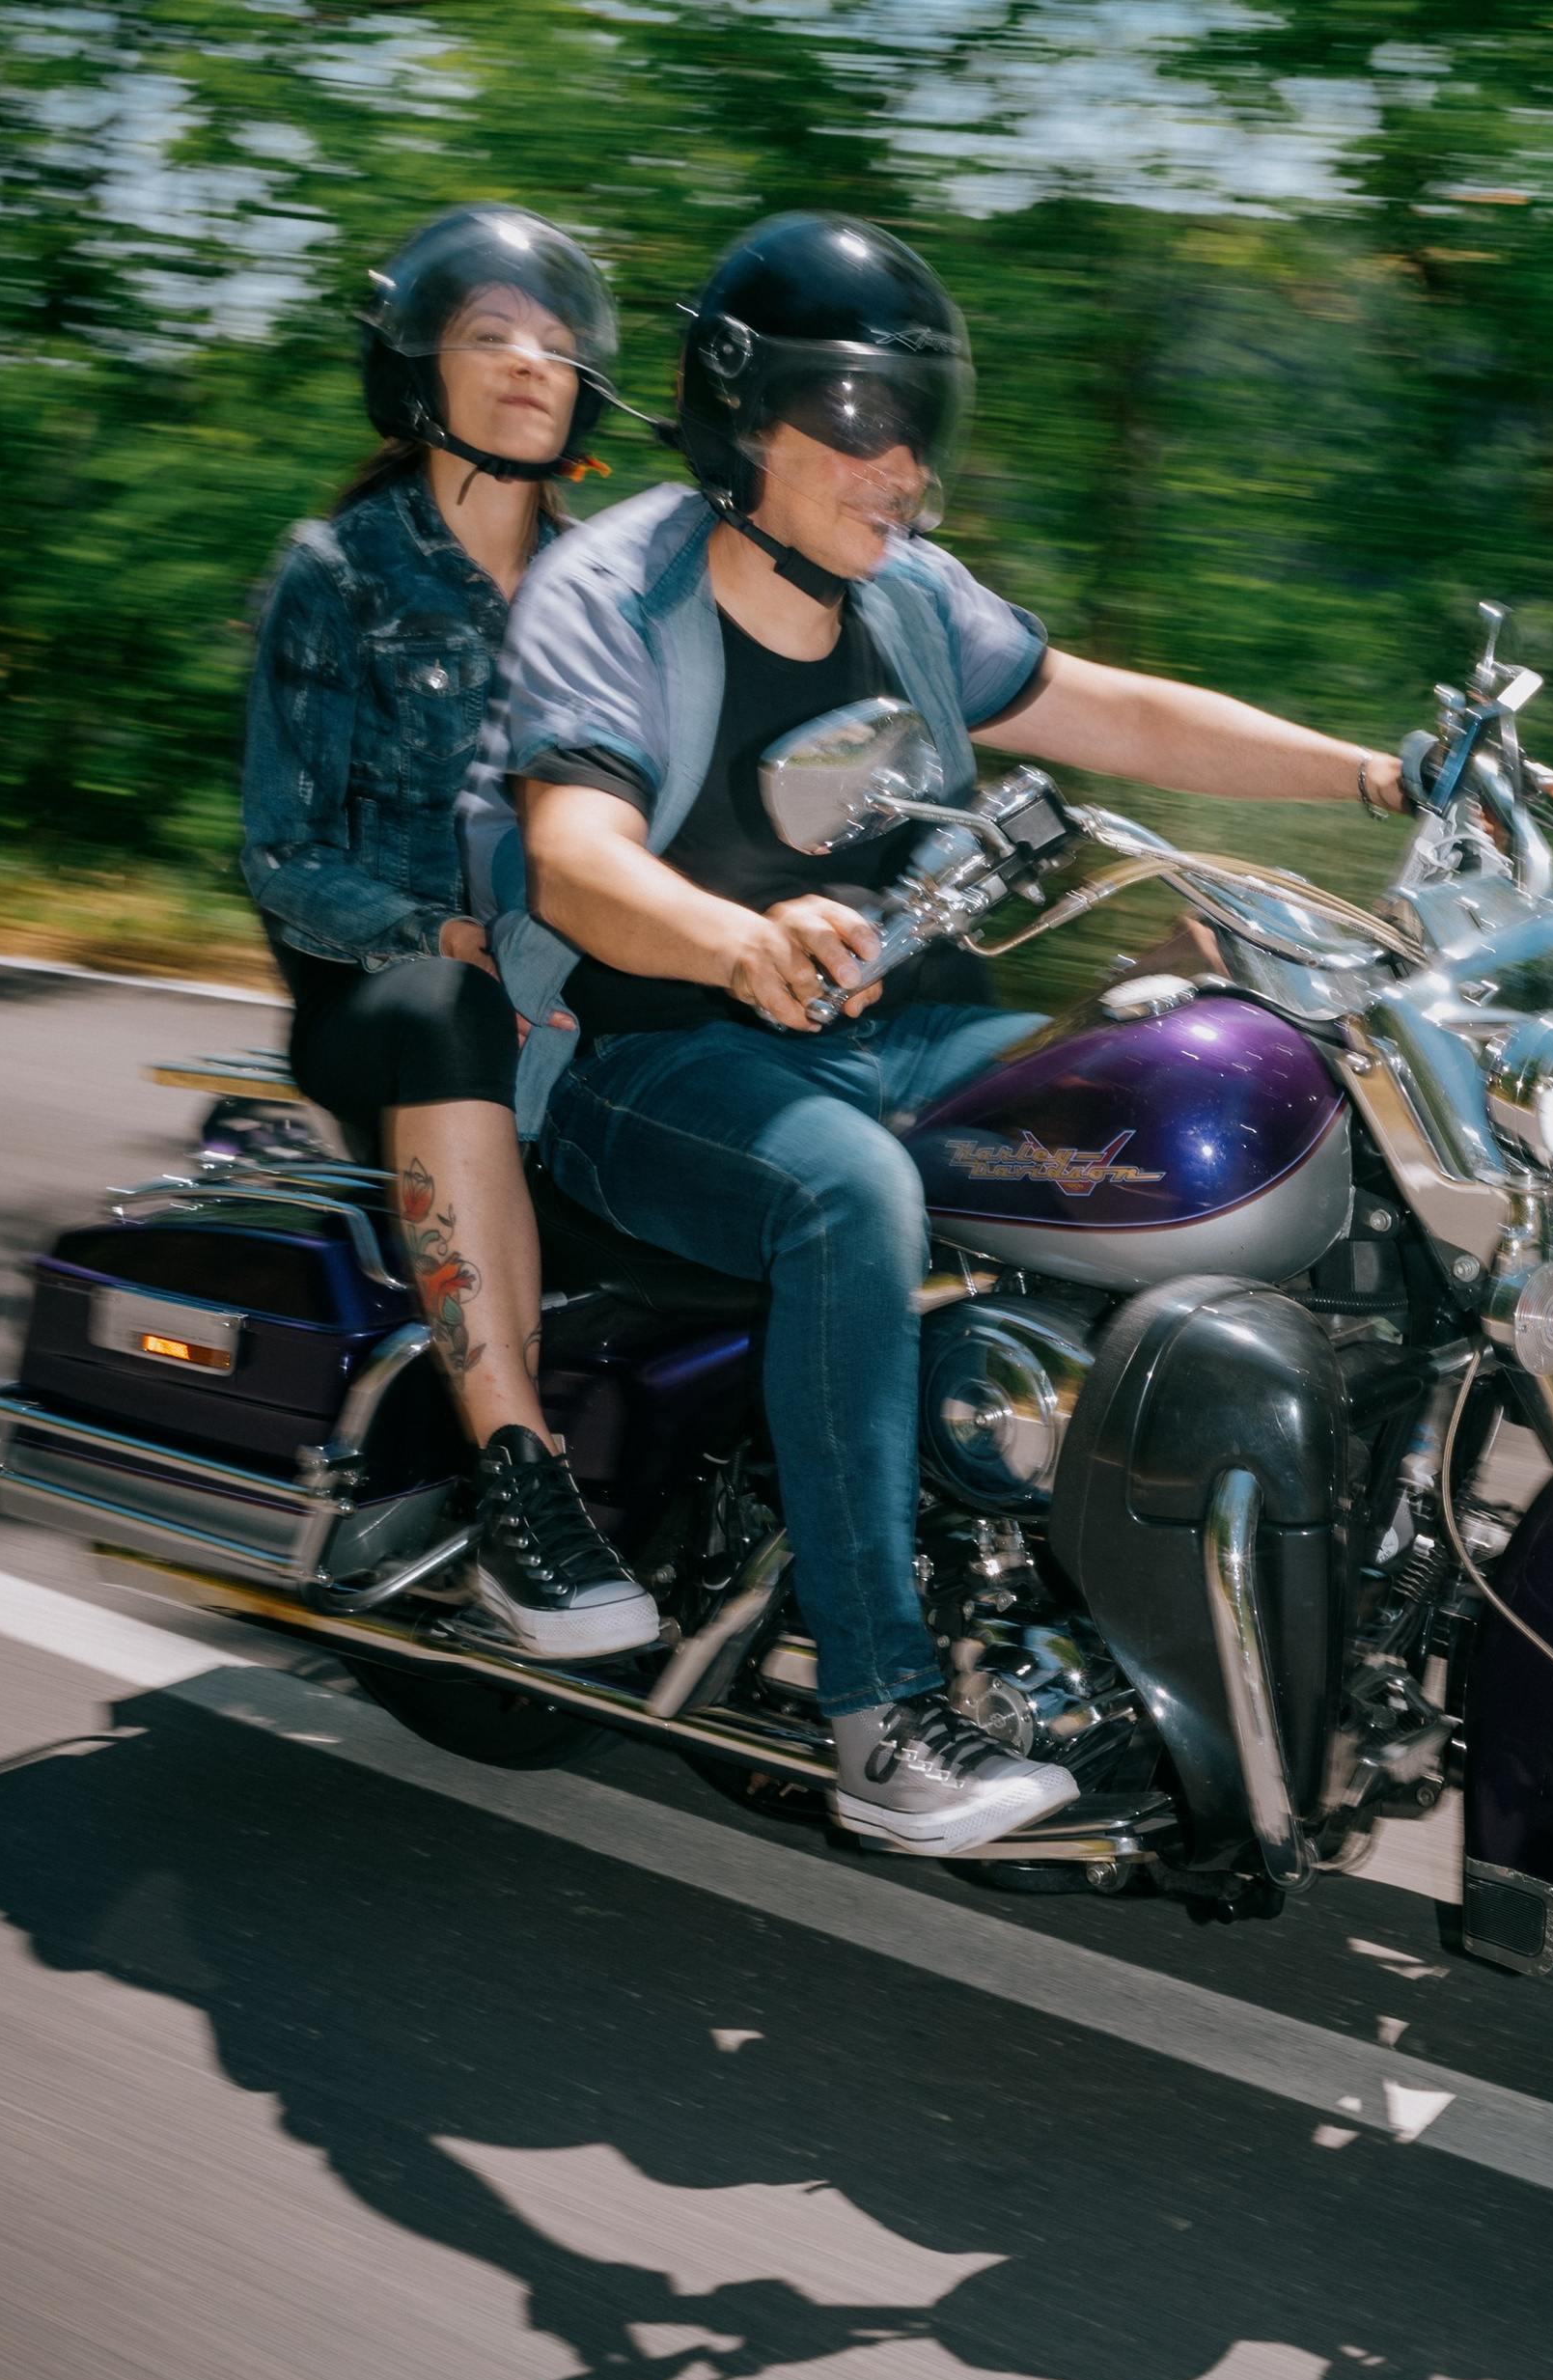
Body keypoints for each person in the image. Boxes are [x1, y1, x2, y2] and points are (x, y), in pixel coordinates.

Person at [460, 208, 1410, 1854]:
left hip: (888, 1034)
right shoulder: (611, 591)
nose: (898, 469)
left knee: (1198, 1097)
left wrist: (1380, 776)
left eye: (919, 429)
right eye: (853, 425)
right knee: (853, 1198)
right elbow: (578, 862)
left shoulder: (906, 598)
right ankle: (882, 1717)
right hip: (648, 1062)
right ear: (735, 422)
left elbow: (1115, 708)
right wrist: (736, 939)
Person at [241, 205, 655, 1671]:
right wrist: (445, 930)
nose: (530, 362)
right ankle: (525, 1488)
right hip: (385, 992)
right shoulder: (340, 572)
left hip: (573, 971)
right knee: (446, 1003)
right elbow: (283, 857)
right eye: (490, 337)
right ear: (417, 371)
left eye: (555, 342)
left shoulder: (619, 586)